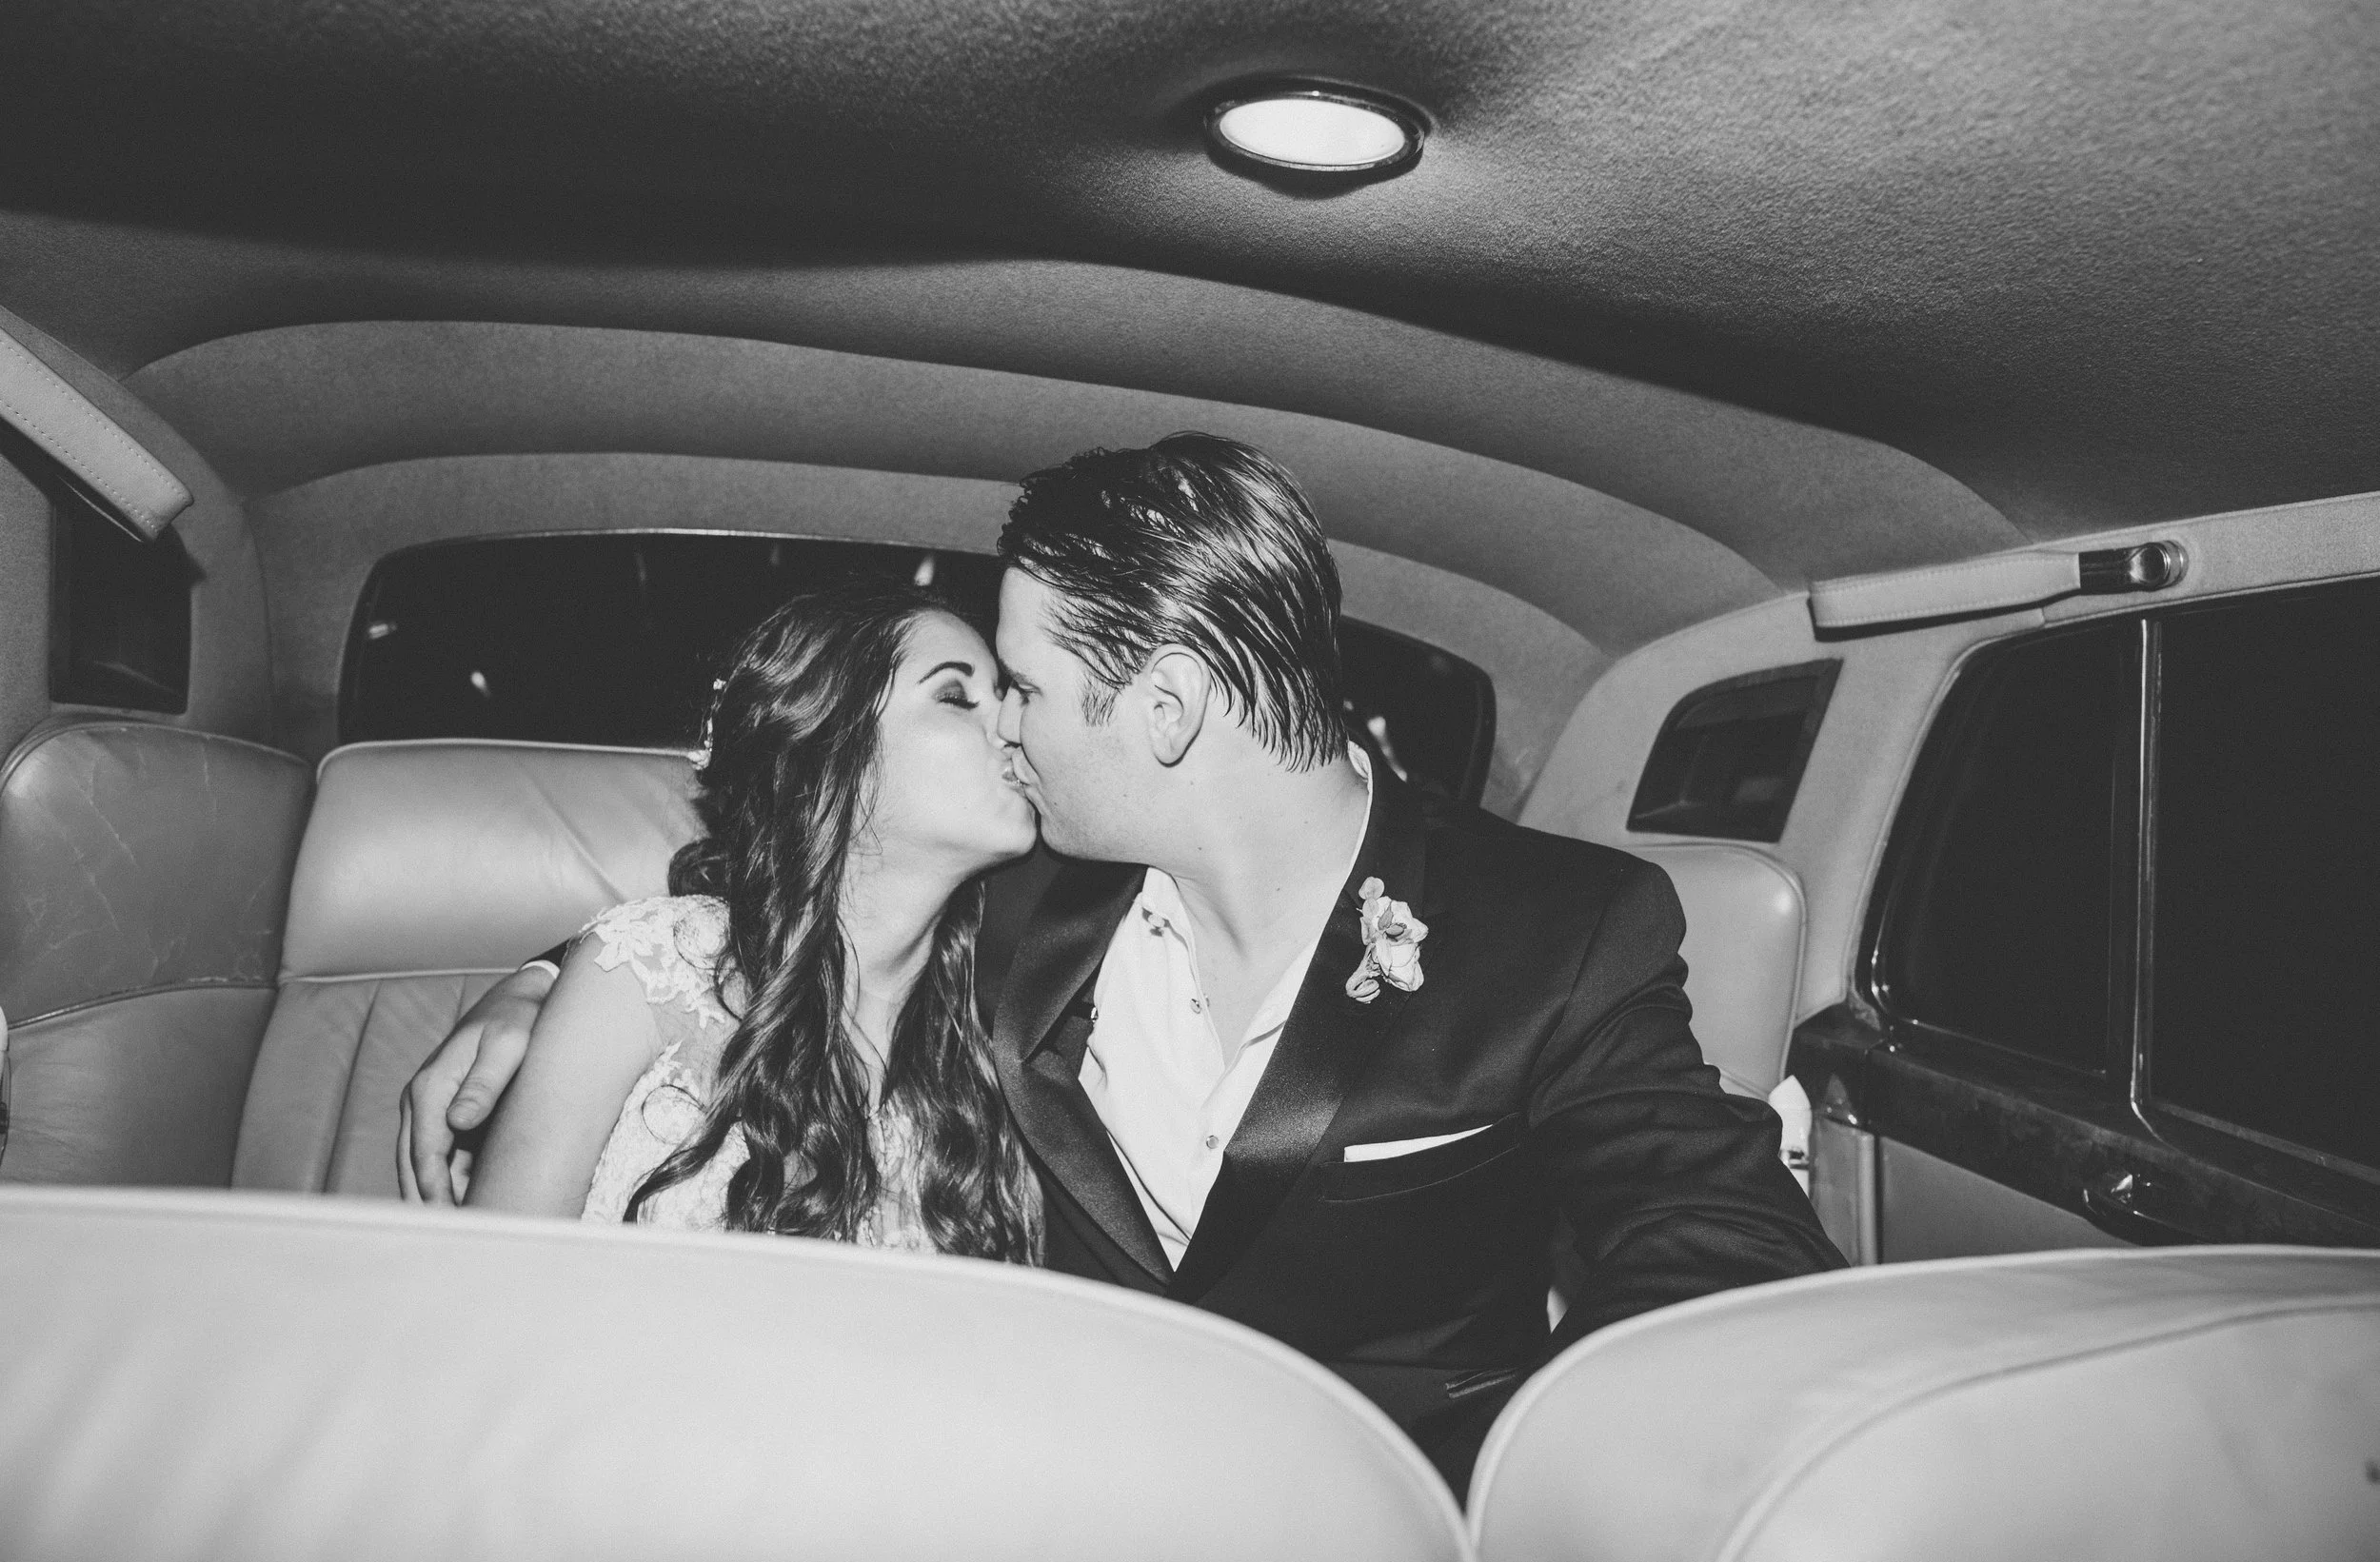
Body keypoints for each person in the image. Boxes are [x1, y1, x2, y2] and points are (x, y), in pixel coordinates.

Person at [404, 432, 1843, 1490]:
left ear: (1165, 709)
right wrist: (542, 981)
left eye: (1024, 688)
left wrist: (1517, 1504)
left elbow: (1727, 1248)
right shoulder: (1019, 894)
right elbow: (781, 909)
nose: (1010, 729)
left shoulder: (1563, 928)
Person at [456, 584, 1041, 1262]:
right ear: (832, 750)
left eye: (1009, 694)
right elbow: (486, 1285)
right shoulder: (647, 975)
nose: (1014, 725)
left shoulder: (999, 1061)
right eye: (956, 696)